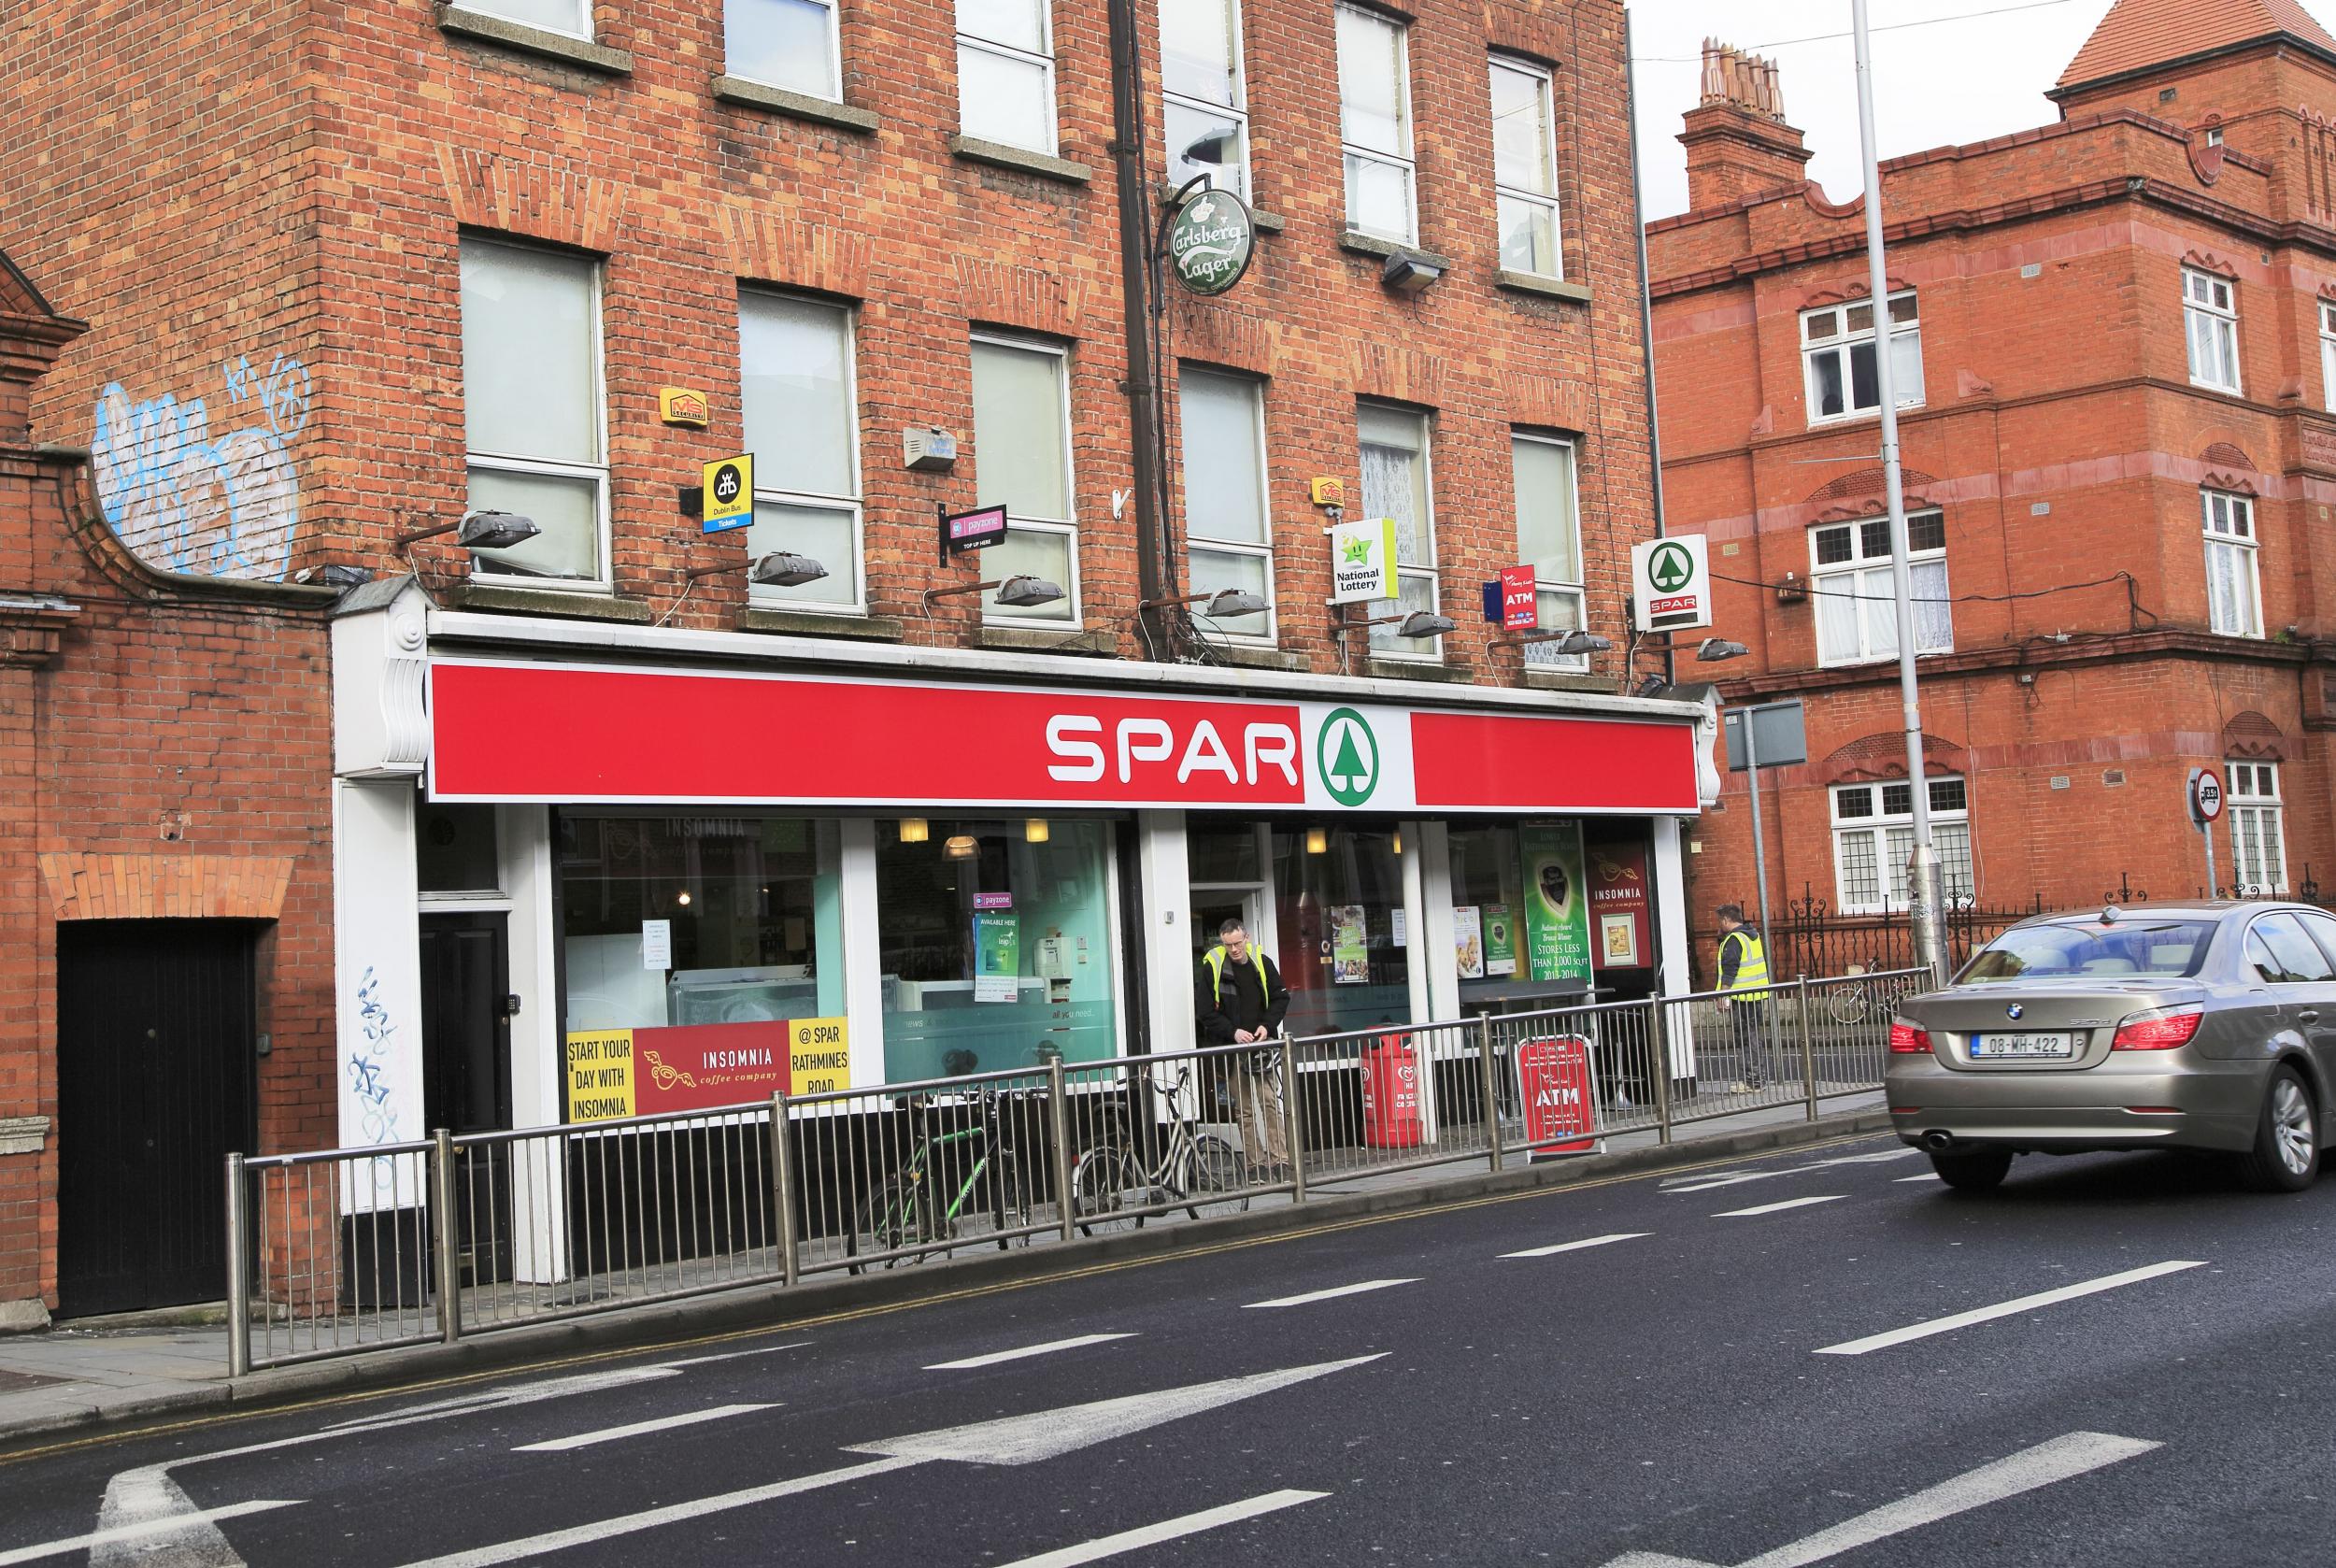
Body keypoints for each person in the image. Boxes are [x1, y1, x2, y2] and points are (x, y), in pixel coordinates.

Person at [1195, 918, 1292, 1176]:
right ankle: (1254, 1164)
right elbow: (1204, 1012)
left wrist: (1267, 1026)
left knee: (1270, 1103)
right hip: (1232, 1049)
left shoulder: (1262, 962)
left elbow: (1281, 997)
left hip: (1261, 1045)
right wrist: (1233, 1032)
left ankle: (1280, 1161)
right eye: (1228, 945)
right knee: (1245, 1110)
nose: (1234, 949)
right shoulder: (1213, 967)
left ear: (1246, 938)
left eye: (1237, 943)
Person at [1714, 903, 1773, 1091]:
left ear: (1725, 920)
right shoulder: (1751, 936)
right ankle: (1759, 1079)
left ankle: (1753, 1081)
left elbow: (1730, 969)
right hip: (1755, 994)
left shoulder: (1734, 940)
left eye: (1720, 921)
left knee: (1746, 1040)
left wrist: (1723, 995)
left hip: (1742, 997)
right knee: (1753, 1038)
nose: (1719, 925)